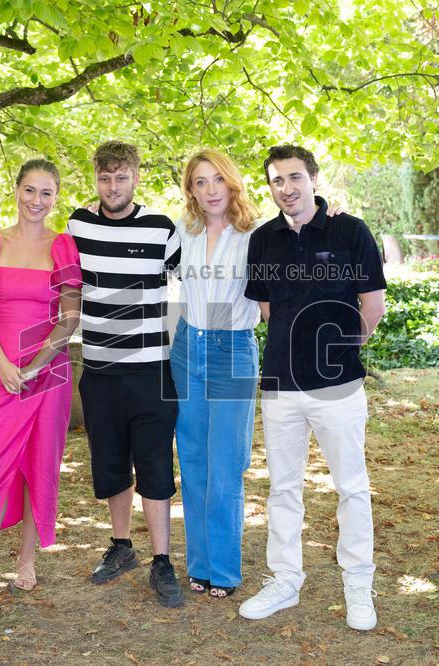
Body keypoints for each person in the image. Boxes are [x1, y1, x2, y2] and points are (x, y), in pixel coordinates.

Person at [238, 145, 387, 631]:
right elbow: (266, 311)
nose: (287, 187)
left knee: (351, 487)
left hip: (338, 386)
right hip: (281, 384)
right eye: (277, 180)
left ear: (314, 179)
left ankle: (358, 586)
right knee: (282, 488)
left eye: (295, 176)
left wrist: (339, 351)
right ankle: (284, 580)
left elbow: (373, 304)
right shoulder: (262, 240)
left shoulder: (349, 230)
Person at [0, 159, 82, 617]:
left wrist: (36, 364)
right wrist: (5, 364)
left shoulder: (63, 247)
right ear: (16, 191)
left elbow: (70, 317)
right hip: (2, 369)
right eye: (30, 190)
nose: (36, 201)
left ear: (55, 197)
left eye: (46, 193)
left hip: (48, 372)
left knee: (39, 462)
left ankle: (27, 560)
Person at [66, 140, 184, 608]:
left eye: (121, 177)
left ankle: (162, 560)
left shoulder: (161, 228)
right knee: (111, 465)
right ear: (95, 179)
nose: (112, 186)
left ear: (136, 178)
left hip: (151, 372)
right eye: (104, 177)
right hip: (98, 372)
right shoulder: (77, 225)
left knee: (154, 466)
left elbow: (199, 274)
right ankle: (121, 547)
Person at [171, 149, 260, 599]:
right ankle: (199, 564)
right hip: (187, 347)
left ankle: (223, 570)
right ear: (191, 189)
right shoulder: (181, 232)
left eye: (217, 180)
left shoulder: (256, 234)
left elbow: (304, 232)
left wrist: (330, 211)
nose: (210, 190)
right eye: (200, 182)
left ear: (232, 183)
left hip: (233, 349)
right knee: (193, 460)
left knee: (227, 462)